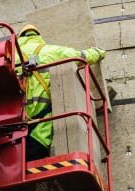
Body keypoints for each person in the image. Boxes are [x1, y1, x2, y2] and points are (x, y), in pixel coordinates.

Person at [16, 24, 105, 161]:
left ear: (20, 38)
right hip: (40, 127)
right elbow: (80, 57)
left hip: (12, 128)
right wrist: (98, 52)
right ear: (38, 36)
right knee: (34, 157)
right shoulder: (49, 51)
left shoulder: (9, 57)